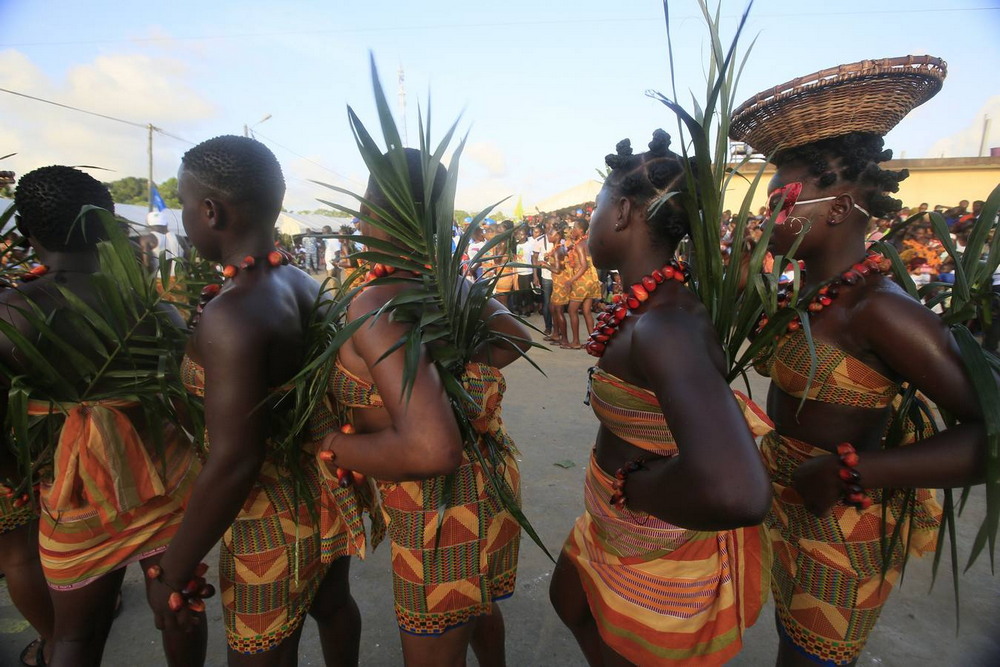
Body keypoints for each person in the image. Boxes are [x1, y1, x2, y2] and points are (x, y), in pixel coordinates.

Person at [731, 55, 990, 665]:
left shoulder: (881, 311)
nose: (769, 220)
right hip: (788, 513)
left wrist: (856, 471)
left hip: (841, 527)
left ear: (840, 210)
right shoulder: (812, 297)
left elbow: (994, 435)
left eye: (781, 204)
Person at [549, 130, 773, 665]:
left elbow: (739, 492)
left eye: (596, 209)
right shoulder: (644, 309)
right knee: (570, 599)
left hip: (655, 538)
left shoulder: (664, 325)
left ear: (623, 211)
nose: (590, 226)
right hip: (613, 522)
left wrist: (634, 491)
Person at [155, 136, 372, 665]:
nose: (185, 218)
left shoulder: (236, 311)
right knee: (332, 603)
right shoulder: (300, 282)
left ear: (211, 210)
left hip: (265, 517)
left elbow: (236, 458)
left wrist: (172, 571)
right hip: (322, 491)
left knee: (259, 651)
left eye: (185, 205)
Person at [322, 147, 530, 666]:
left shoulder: (376, 303)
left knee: (438, 637)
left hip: (436, 506)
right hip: (486, 480)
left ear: (371, 208)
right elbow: (516, 338)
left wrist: (330, 444)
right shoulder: (453, 286)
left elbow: (431, 449)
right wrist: (452, 373)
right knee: (475, 600)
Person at [1, 166, 203, 666]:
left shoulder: (12, 314)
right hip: (165, 482)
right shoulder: (153, 309)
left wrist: (16, 480)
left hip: (73, 497)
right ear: (110, 227)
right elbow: (186, 401)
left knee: (72, 638)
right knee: (180, 607)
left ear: (26, 232)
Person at [564, 219, 602, 349]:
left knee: (572, 310)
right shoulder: (588, 242)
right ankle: (593, 341)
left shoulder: (579, 245)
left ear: (581, 230)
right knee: (586, 311)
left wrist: (571, 280)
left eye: (574, 228)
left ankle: (575, 342)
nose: (572, 230)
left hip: (582, 281)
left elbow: (583, 266)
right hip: (592, 280)